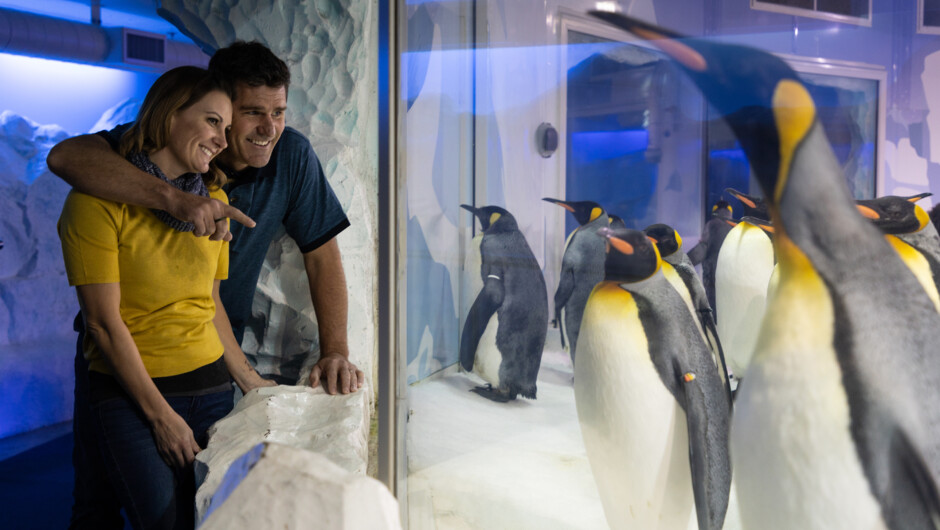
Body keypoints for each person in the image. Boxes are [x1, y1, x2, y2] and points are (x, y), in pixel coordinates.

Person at [48, 42, 364, 529]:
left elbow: (320, 254)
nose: (268, 128)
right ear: (216, 105)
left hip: (210, 360)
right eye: (250, 112)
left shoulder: (280, 159)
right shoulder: (133, 159)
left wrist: (333, 349)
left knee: (205, 509)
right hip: (123, 356)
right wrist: (173, 199)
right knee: (97, 498)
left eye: (278, 111)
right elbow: (65, 156)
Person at [57, 66, 273, 529]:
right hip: (134, 396)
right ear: (170, 113)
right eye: (213, 121)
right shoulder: (94, 201)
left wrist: (249, 382)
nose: (222, 139)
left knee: (214, 521)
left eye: (227, 129)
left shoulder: (214, 198)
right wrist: (161, 417)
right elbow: (101, 324)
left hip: (211, 388)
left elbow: (209, 304)